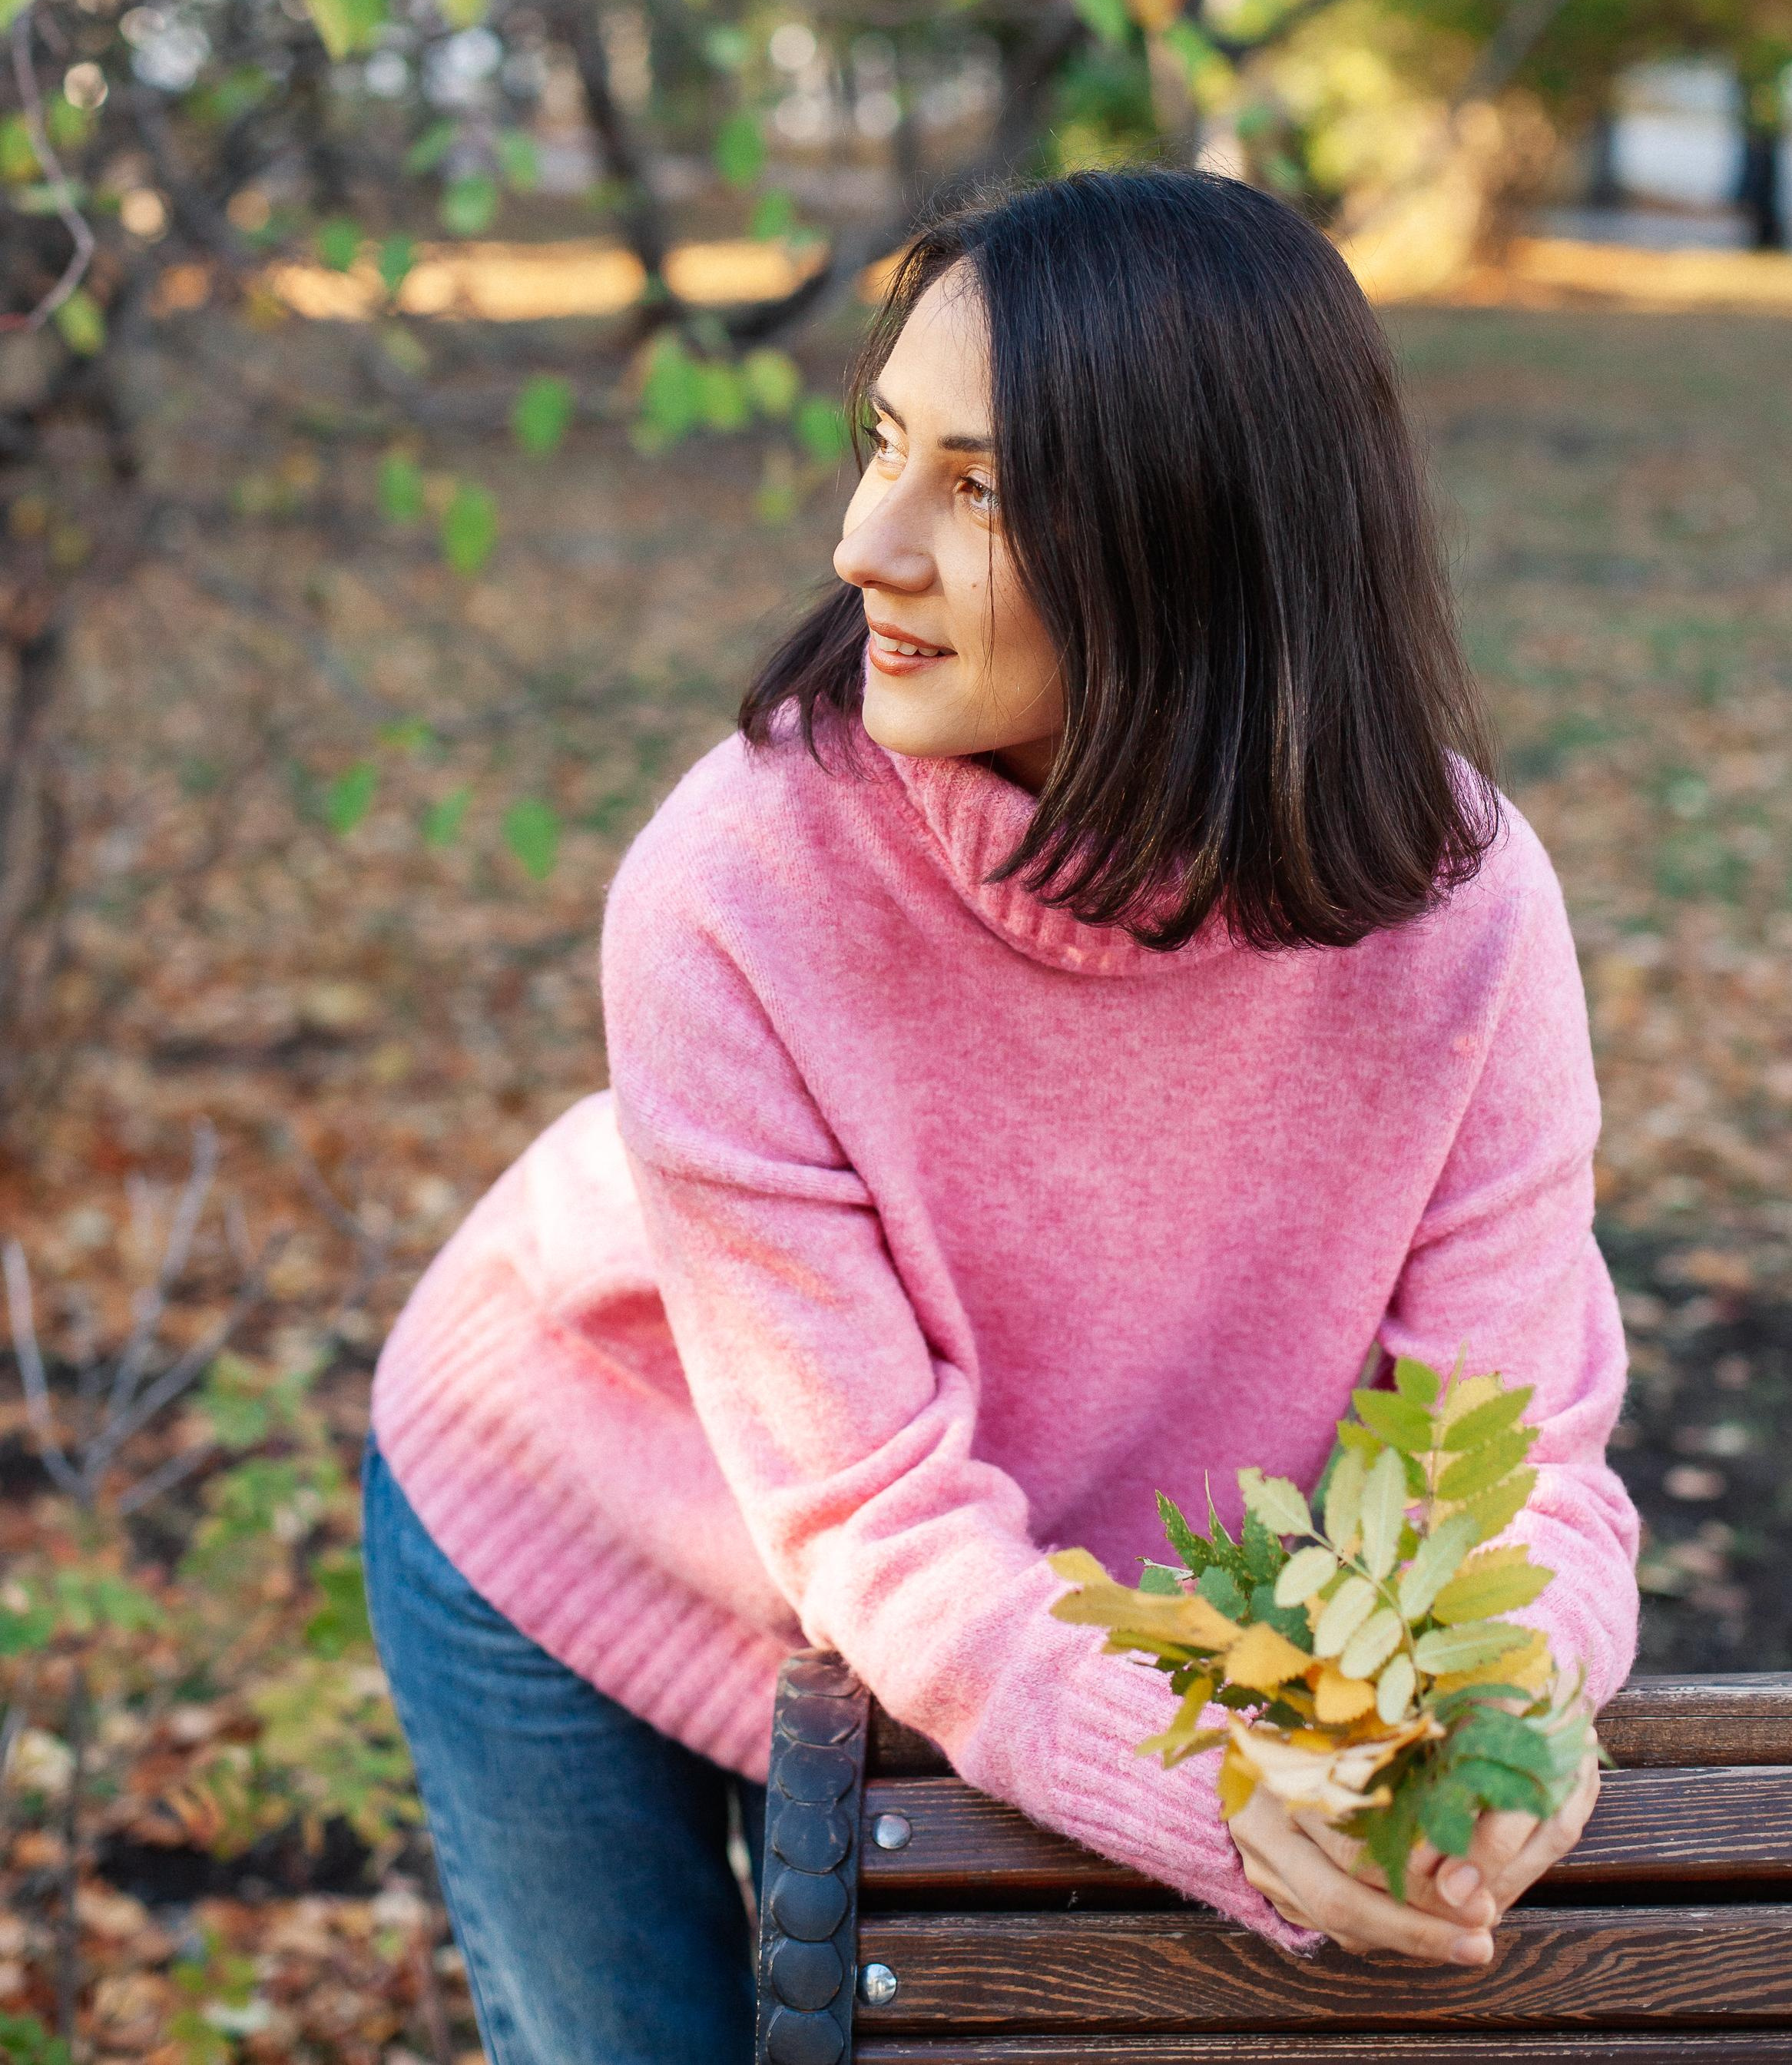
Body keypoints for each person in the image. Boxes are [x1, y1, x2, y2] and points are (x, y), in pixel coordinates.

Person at [364, 167, 1638, 2065]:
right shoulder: (736, 887)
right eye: (887, 444)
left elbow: (1522, 1456)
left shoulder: (1455, 912)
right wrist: (1228, 1794)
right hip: (596, 1485)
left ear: (1197, 541)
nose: (865, 539)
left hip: (1020, 1600)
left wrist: (1500, 1721)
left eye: (979, 486)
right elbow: (876, 1517)